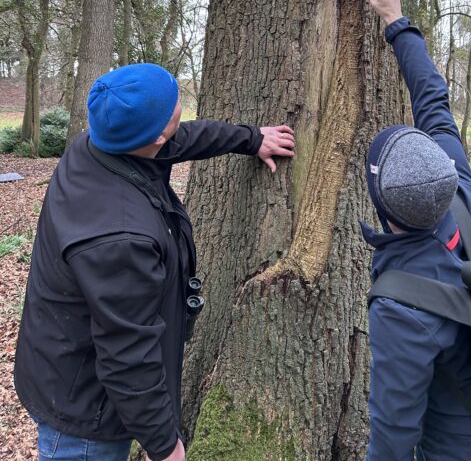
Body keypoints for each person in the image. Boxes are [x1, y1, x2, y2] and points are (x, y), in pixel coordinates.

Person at [14, 63, 295, 461]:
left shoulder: (100, 145)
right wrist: (165, 445)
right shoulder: (119, 239)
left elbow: (181, 139)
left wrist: (251, 139)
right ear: (158, 135)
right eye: (175, 112)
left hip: (62, 370)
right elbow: (127, 354)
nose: (179, 118)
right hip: (85, 416)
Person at [361, 0, 471, 461]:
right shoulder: (459, 189)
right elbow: (433, 99)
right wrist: (397, 23)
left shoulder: (401, 303)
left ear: (383, 207)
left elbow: (392, 436)